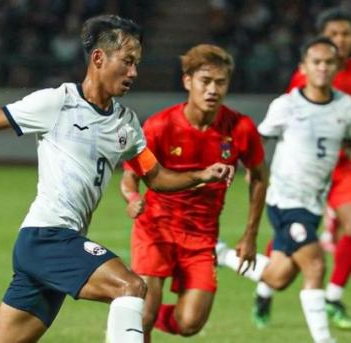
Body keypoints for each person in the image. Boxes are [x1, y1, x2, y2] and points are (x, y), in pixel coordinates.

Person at [0, 15, 234, 343]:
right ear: (98, 58)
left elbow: (156, 177)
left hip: (53, 246)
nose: (134, 72)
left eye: (138, 64)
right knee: (131, 287)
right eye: (128, 62)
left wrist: (201, 176)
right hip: (47, 237)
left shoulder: (127, 124)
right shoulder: (58, 102)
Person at [120, 44, 268, 342]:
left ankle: (132, 319)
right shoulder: (160, 126)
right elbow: (129, 178)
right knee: (144, 315)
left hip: (202, 238)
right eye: (205, 81)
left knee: (190, 323)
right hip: (156, 229)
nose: (213, 89)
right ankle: (136, 323)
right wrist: (133, 199)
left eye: (220, 82)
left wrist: (250, 234)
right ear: (187, 81)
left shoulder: (240, 128)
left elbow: (260, 177)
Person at [221, 36, 351, 343]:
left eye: (328, 62)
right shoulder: (286, 106)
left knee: (277, 277)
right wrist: (250, 170)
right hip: (284, 200)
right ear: (303, 67)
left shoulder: (345, 107)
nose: (322, 68)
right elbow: (257, 138)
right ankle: (324, 340)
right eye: (315, 62)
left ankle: (220, 253)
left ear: (337, 67)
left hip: (314, 203)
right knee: (316, 264)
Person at [253, 7, 351, 330]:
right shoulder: (301, 86)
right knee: (304, 261)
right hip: (297, 183)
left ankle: (330, 296)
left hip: (336, 173)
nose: (340, 40)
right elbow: (271, 131)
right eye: (334, 34)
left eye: (345, 34)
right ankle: (274, 289)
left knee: (288, 271)